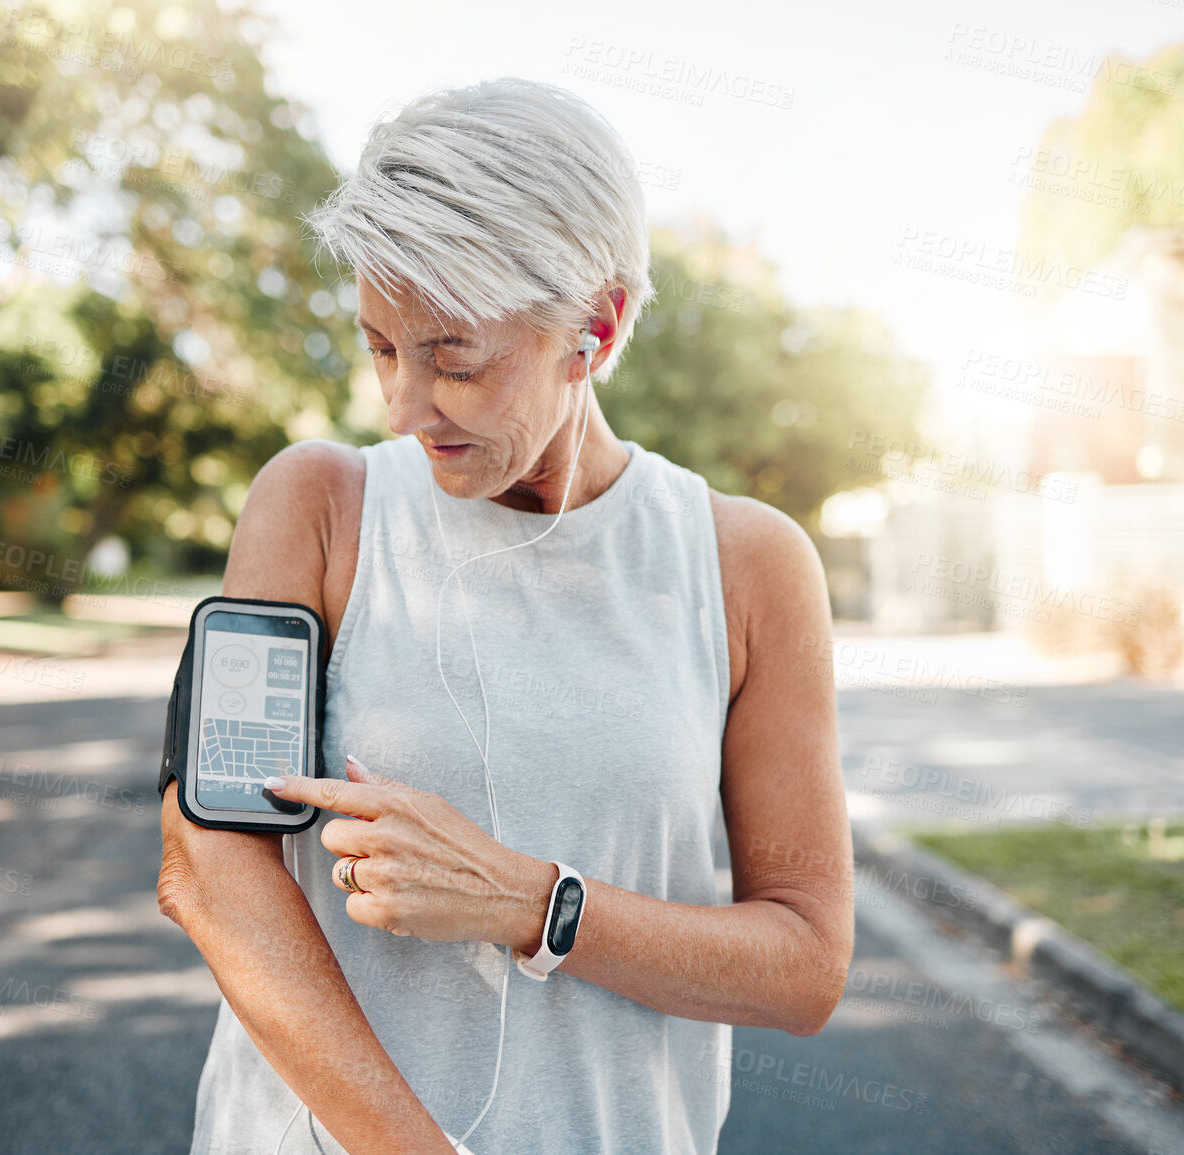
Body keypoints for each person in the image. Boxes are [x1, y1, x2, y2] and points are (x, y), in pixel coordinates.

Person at [157, 76, 854, 1154]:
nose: (402, 407)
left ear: (599, 322)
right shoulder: (320, 509)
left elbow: (805, 968)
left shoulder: (748, 566)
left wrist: (531, 903)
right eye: (381, 345)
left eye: (455, 361)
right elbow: (208, 868)